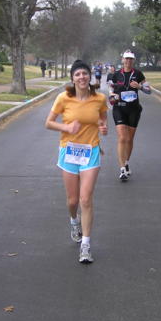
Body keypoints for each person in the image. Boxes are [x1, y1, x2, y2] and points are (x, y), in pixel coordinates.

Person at [45, 60, 108, 264]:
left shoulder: (99, 98)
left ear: (90, 77)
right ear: (72, 78)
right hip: (69, 152)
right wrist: (66, 128)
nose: (82, 77)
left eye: (85, 74)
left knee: (85, 199)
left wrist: (103, 128)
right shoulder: (63, 98)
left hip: (91, 152)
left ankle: (86, 245)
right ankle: (74, 221)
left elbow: (103, 119)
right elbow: (48, 123)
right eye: (78, 74)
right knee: (73, 201)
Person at [108, 50, 151, 181]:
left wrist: (140, 87)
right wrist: (112, 95)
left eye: (130, 59)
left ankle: (126, 162)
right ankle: (122, 169)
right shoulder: (115, 75)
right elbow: (110, 90)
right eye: (126, 59)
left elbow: (149, 91)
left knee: (129, 139)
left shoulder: (138, 74)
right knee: (122, 137)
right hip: (119, 108)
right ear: (122, 60)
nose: (128, 61)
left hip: (134, 110)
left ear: (133, 61)